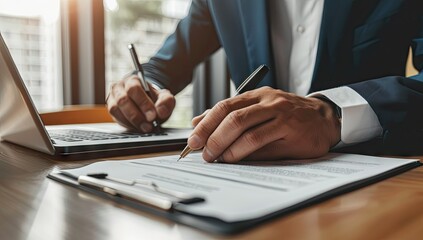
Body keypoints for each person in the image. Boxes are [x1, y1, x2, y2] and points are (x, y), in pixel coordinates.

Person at [106, 0, 423, 163]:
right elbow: (165, 65)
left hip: (374, 187)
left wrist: (332, 114)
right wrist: (138, 85)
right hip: (250, 181)